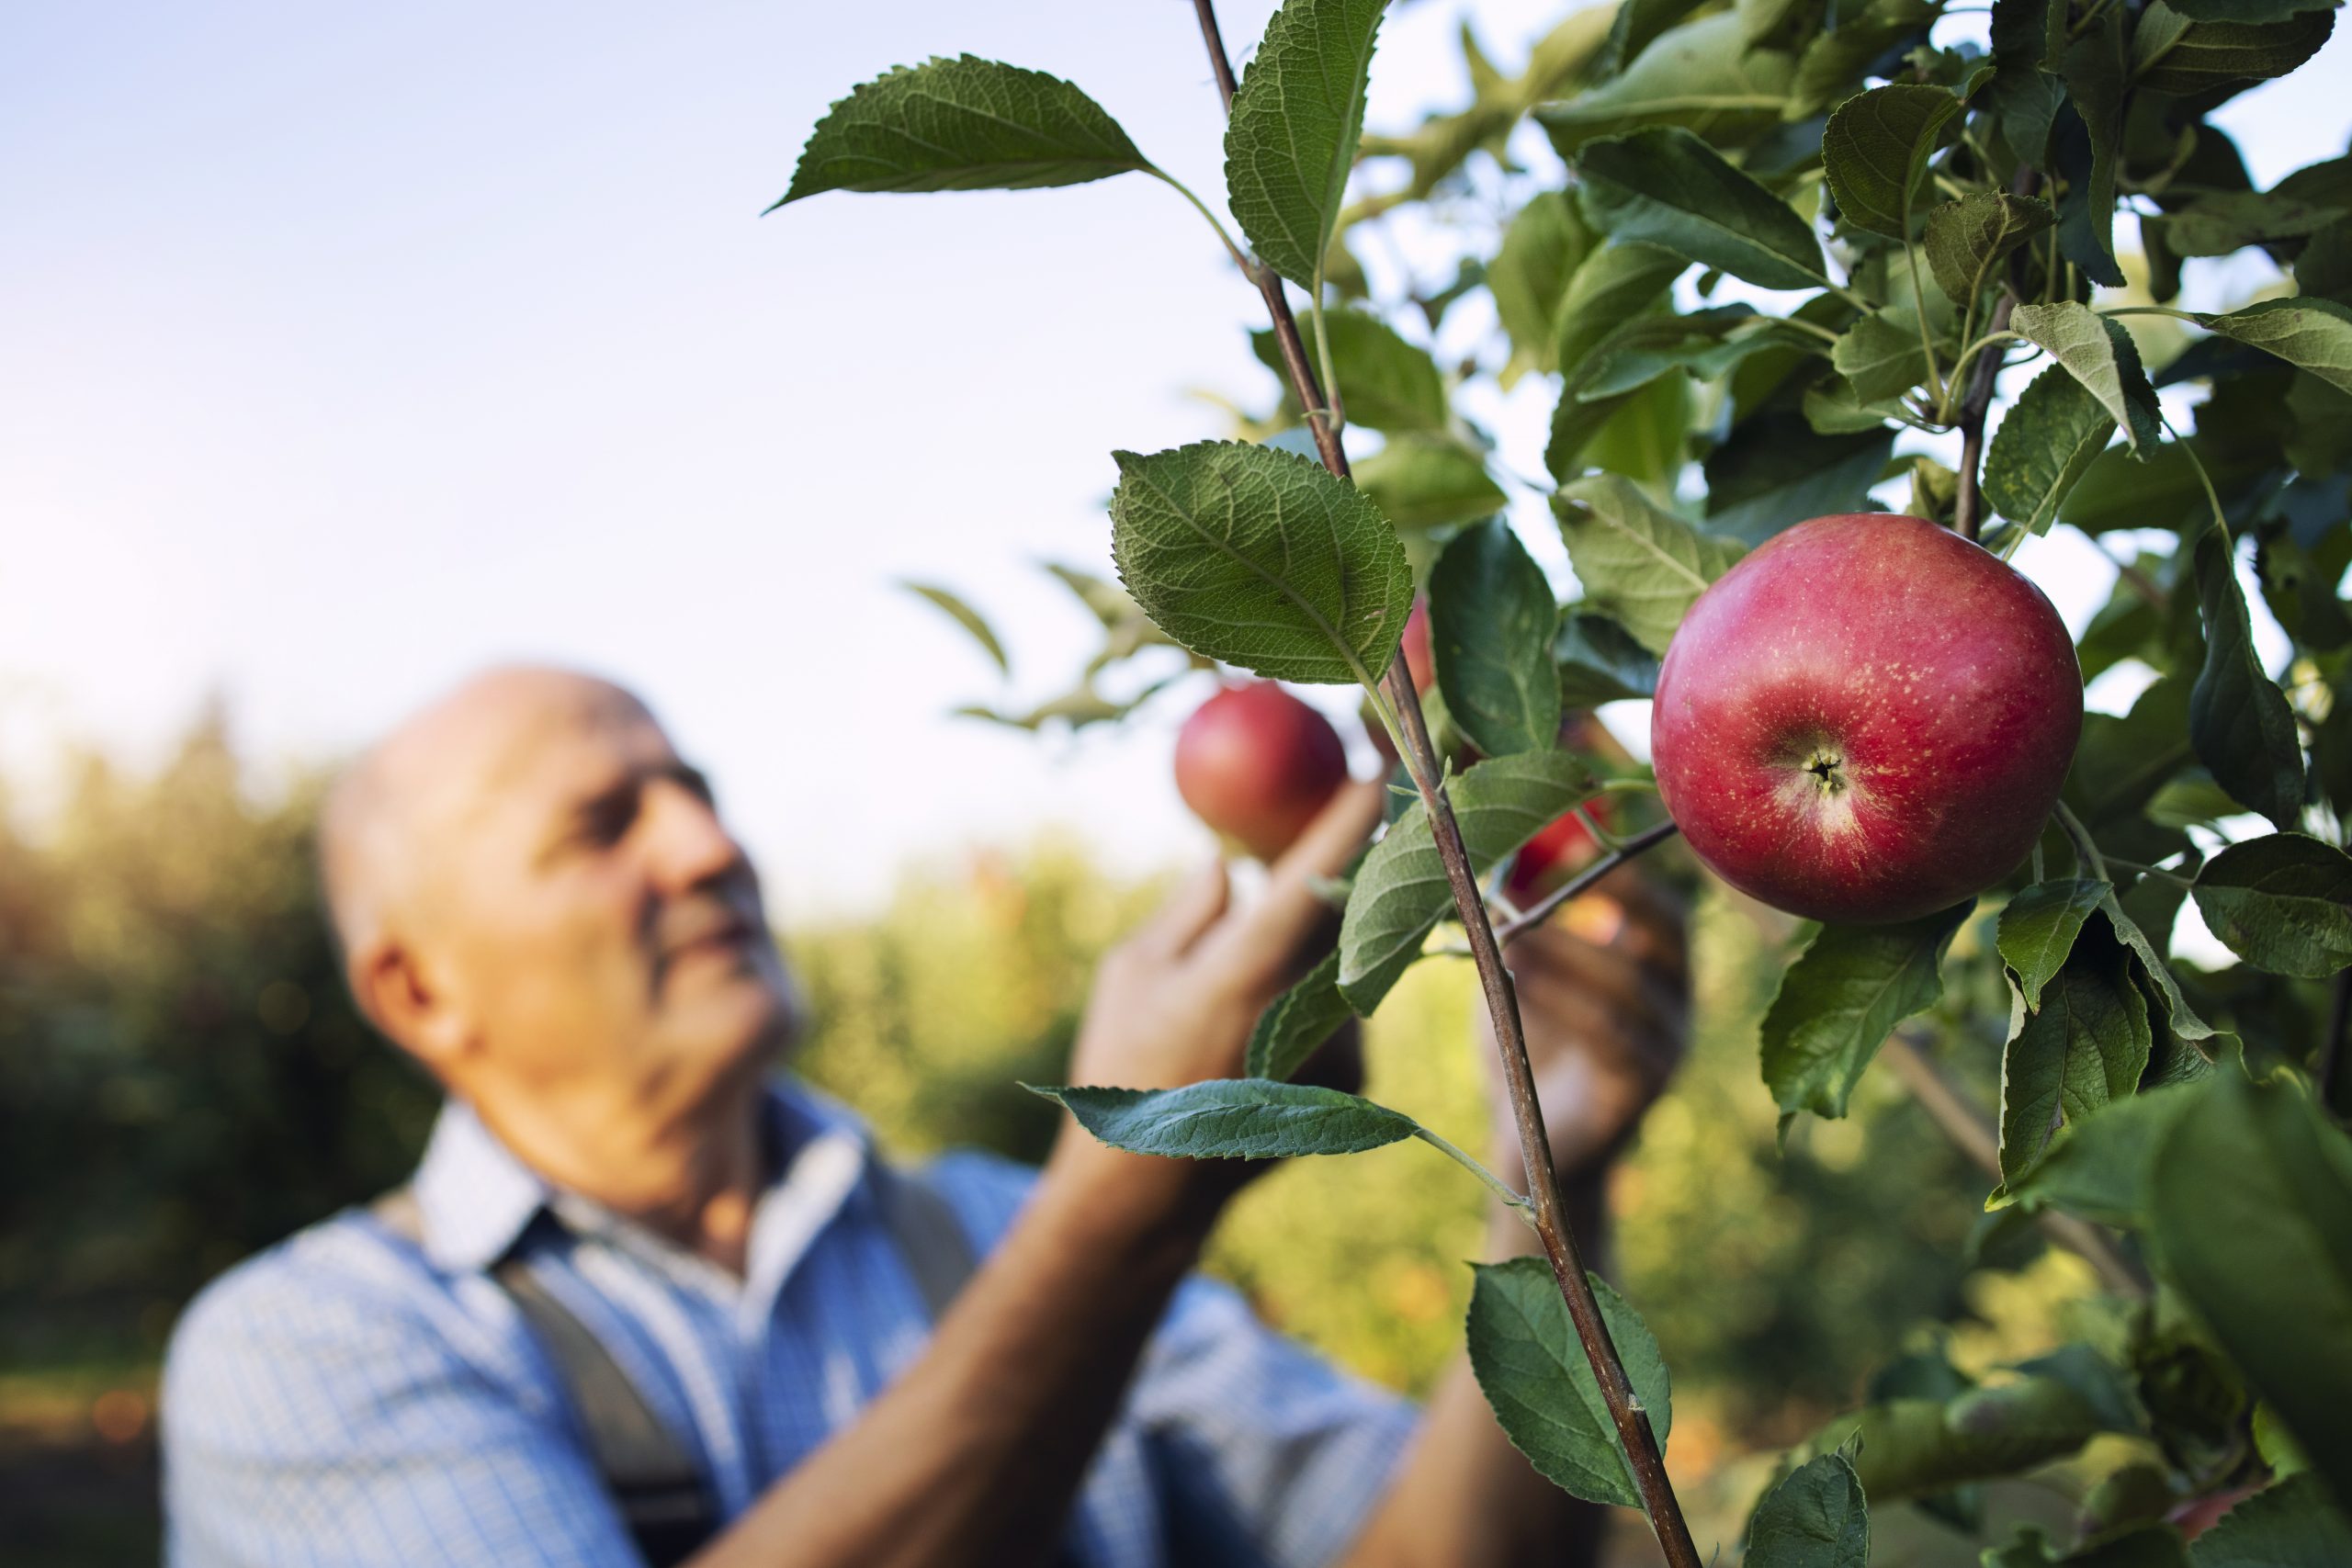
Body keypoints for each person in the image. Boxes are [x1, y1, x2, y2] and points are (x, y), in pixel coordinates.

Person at [162, 665, 1688, 1568]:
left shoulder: (980, 1227)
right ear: (420, 989)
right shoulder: (309, 1352)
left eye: (695, 790)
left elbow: (1435, 1555)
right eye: (603, 825)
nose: (709, 847)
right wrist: (1126, 1198)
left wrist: (1545, 1169)